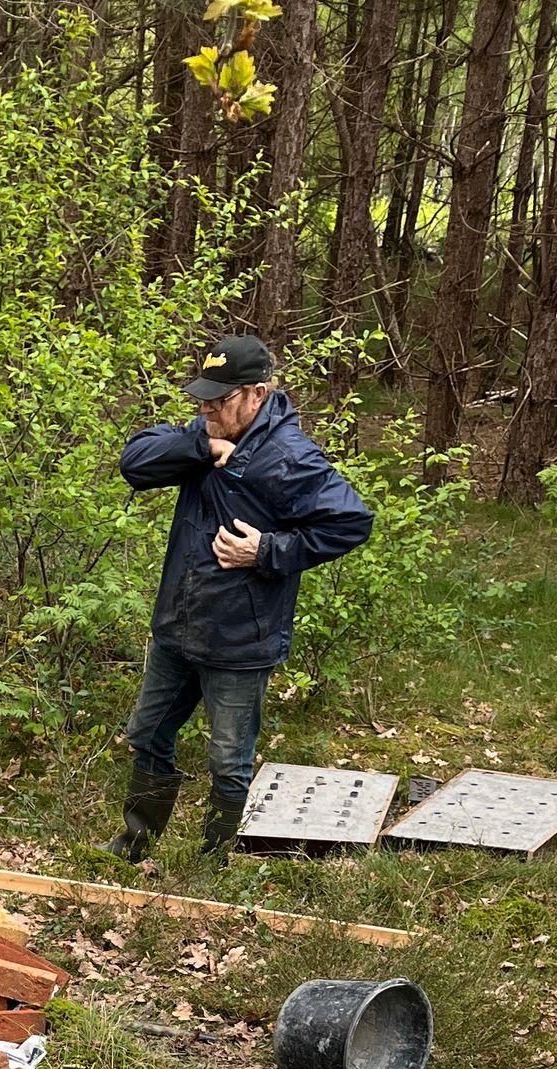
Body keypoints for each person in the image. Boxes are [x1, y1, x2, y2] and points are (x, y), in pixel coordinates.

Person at [112, 335, 374, 860]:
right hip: (178, 626)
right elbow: (135, 462)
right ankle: (135, 842)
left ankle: (213, 860)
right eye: (202, 398)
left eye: (220, 399)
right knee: (148, 734)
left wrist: (268, 551)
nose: (206, 409)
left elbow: (350, 521)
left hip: (240, 639)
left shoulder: (289, 457)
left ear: (257, 394)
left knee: (228, 758)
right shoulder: (208, 434)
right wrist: (202, 448)